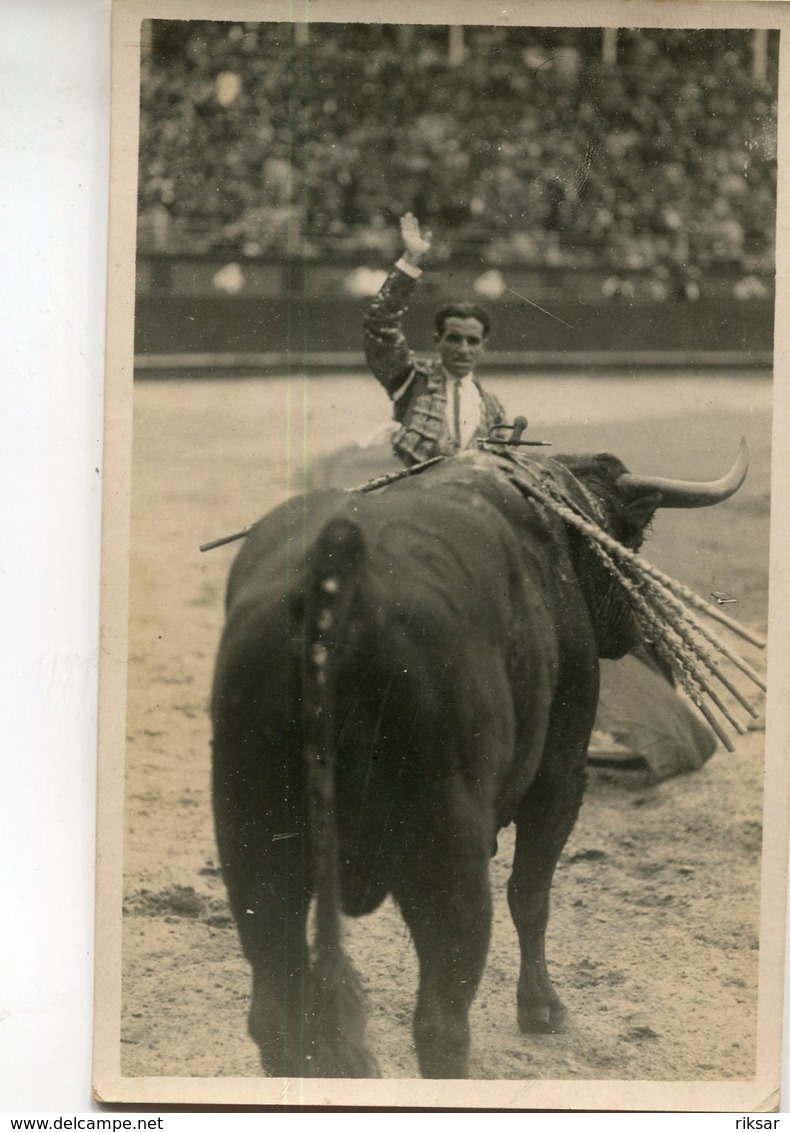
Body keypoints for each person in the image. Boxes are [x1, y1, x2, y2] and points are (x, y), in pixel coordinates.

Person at [363, 213, 508, 467]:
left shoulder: (492, 406)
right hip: (419, 499)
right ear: (437, 340)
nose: (463, 349)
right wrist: (410, 261)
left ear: (483, 347)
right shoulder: (412, 379)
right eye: (454, 339)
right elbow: (379, 327)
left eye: (472, 341)